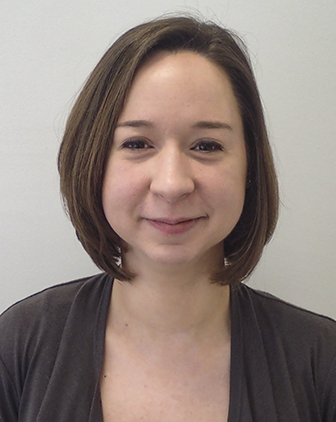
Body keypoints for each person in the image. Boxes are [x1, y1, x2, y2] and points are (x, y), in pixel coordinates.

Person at [0, 15, 335, 422]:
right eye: (137, 143)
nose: (173, 184)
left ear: (249, 167)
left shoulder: (321, 360)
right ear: (92, 164)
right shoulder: (20, 343)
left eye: (207, 145)